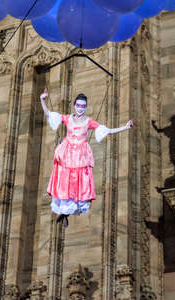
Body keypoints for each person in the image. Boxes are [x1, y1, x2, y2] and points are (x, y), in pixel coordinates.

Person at [40, 88, 133, 227]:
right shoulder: (68, 118)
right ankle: (64, 213)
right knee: (66, 182)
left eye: (83, 106)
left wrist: (125, 128)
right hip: (67, 152)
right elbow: (48, 113)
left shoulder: (88, 121)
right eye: (78, 105)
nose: (80, 108)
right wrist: (42, 99)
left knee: (78, 183)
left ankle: (66, 213)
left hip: (80, 155)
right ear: (74, 105)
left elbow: (107, 130)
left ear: (86, 107)